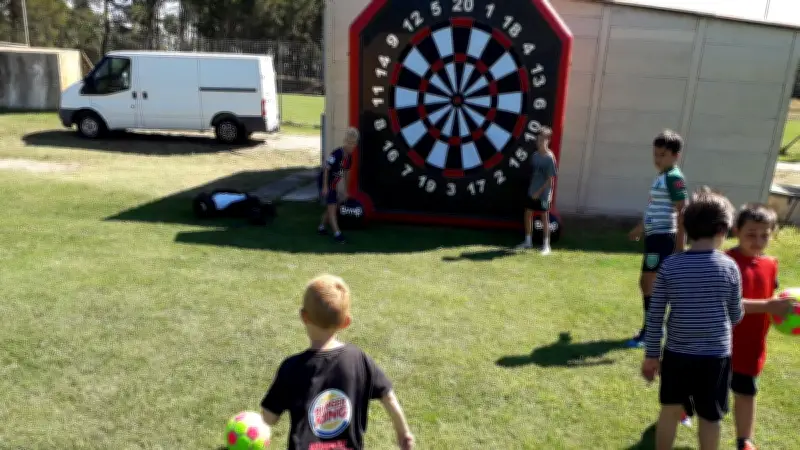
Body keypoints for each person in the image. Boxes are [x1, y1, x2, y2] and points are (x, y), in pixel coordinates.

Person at [260, 274, 415, 450]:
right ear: (346, 322)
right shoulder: (358, 359)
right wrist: (403, 432)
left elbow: (269, 418)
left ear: (304, 317)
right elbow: (388, 396)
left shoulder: (292, 367)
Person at [641, 187, 743, 450]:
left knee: (669, 411)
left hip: (677, 356)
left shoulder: (670, 266)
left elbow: (655, 316)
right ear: (722, 230)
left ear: (686, 227)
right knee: (711, 417)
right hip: (716, 358)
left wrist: (652, 355)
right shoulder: (730, 267)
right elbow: (735, 314)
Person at [726, 204, 796, 450]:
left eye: (765, 235)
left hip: (752, 344)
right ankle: (682, 406)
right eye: (751, 234)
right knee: (706, 387)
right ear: (736, 231)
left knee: (746, 392)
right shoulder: (726, 262)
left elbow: (770, 293)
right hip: (721, 342)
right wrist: (768, 305)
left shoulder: (770, 263)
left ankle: (745, 439)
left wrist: (785, 307)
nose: (758, 241)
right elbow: (728, 304)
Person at [627, 130, 688, 349]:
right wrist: (640, 228)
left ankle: (650, 331)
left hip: (664, 239)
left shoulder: (674, 178)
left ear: (675, 156)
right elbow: (655, 208)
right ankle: (654, 328)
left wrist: (680, 245)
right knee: (648, 283)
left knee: (650, 284)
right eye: (655, 154)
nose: (657, 159)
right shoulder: (662, 176)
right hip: (654, 238)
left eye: (662, 155)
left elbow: (682, 211)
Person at [516, 126, 558, 255]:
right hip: (532, 191)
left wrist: (538, 193)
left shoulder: (550, 158)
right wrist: (532, 191)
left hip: (544, 195)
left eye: (543, 139)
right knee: (527, 214)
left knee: (544, 217)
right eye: (538, 139)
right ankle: (528, 242)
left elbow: (550, 180)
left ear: (548, 140)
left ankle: (546, 246)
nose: (540, 141)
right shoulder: (534, 156)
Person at [318, 128, 359, 243]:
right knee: (332, 207)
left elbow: (346, 174)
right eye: (349, 143)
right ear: (345, 141)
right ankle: (337, 233)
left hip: (333, 184)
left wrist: (345, 190)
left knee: (333, 206)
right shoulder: (337, 153)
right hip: (325, 181)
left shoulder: (349, 158)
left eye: (353, 143)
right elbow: (326, 169)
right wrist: (325, 186)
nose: (351, 146)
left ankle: (321, 227)